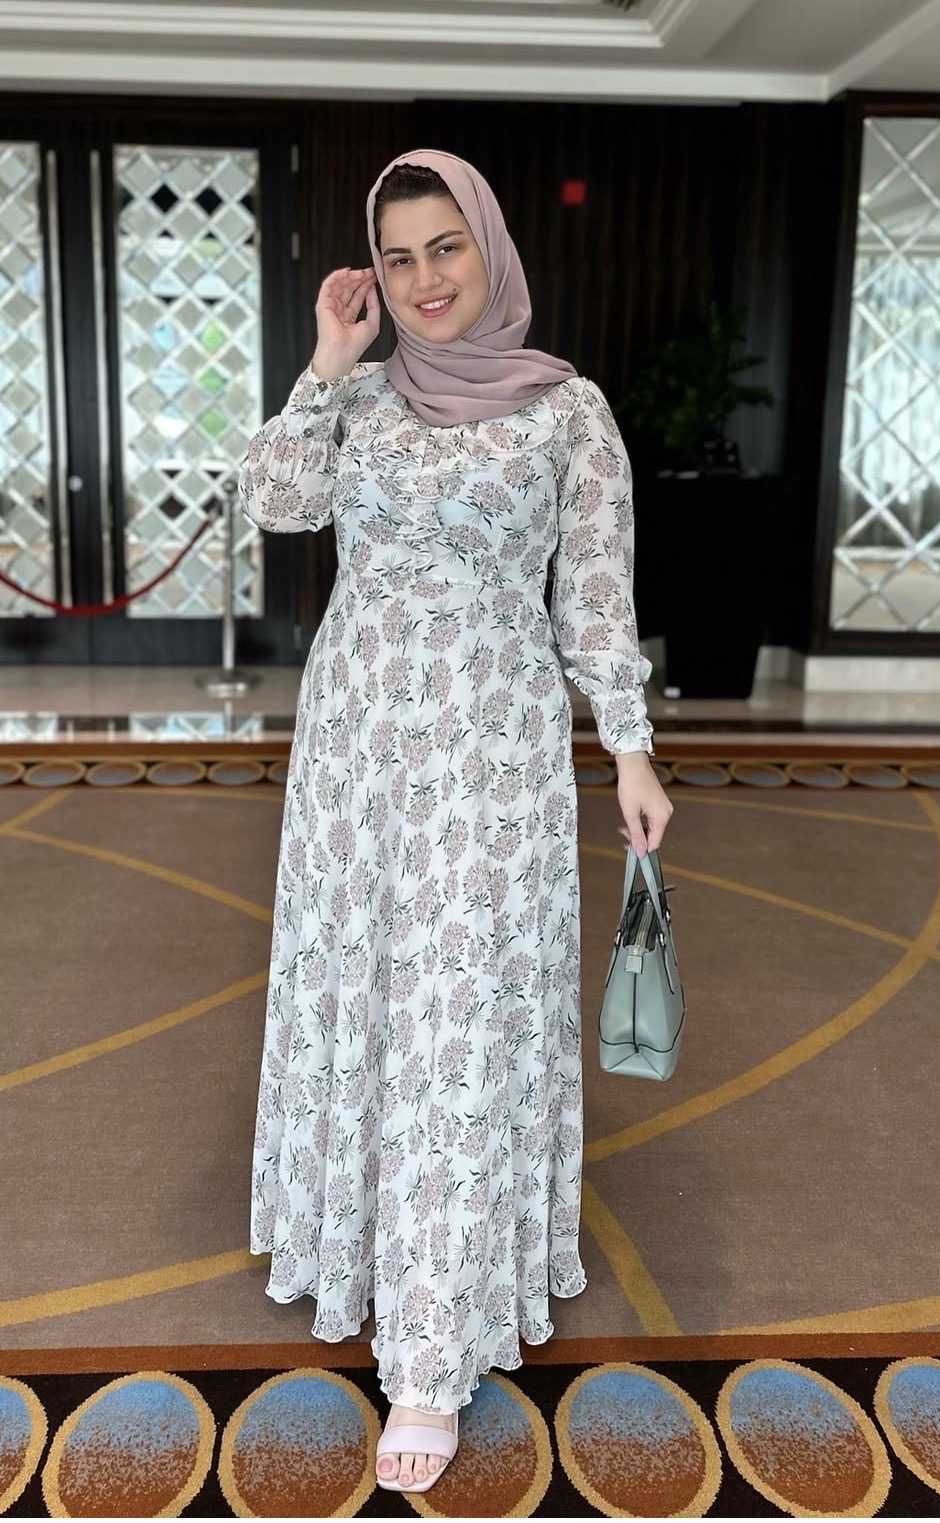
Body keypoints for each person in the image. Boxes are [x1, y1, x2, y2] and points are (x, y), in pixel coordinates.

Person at [239, 148, 672, 1493]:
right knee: (366, 995)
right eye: (401, 254)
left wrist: (632, 749)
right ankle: (366, 1244)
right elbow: (275, 503)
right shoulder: (362, 398)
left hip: (491, 758)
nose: (427, 278)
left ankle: (430, 1354)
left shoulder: (567, 411)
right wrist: (325, 360)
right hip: (356, 753)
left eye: (448, 246)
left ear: (490, 248)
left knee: (461, 1012)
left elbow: (593, 595)